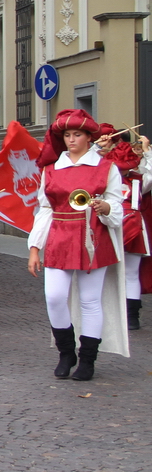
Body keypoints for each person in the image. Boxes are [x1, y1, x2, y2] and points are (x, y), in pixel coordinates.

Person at [28, 109, 128, 382]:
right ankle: (66, 352)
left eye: (78, 134)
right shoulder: (51, 169)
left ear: (88, 137)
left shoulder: (106, 168)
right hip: (59, 237)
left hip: (93, 236)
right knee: (54, 296)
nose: (72, 140)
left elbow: (117, 205)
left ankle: (87, 359)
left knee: (90, 300)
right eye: (68, 135)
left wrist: (105, 206)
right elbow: (44, 210)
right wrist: (35, 247)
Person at [96, 128, 151, 331]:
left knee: (110, 272)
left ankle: (116, 313)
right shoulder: (139, 179)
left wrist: (96, 146)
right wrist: (147, 152)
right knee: (130, 274)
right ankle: (131, 317)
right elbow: (150, 172)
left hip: (114, 225)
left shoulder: (103, 177)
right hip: (130, 225)